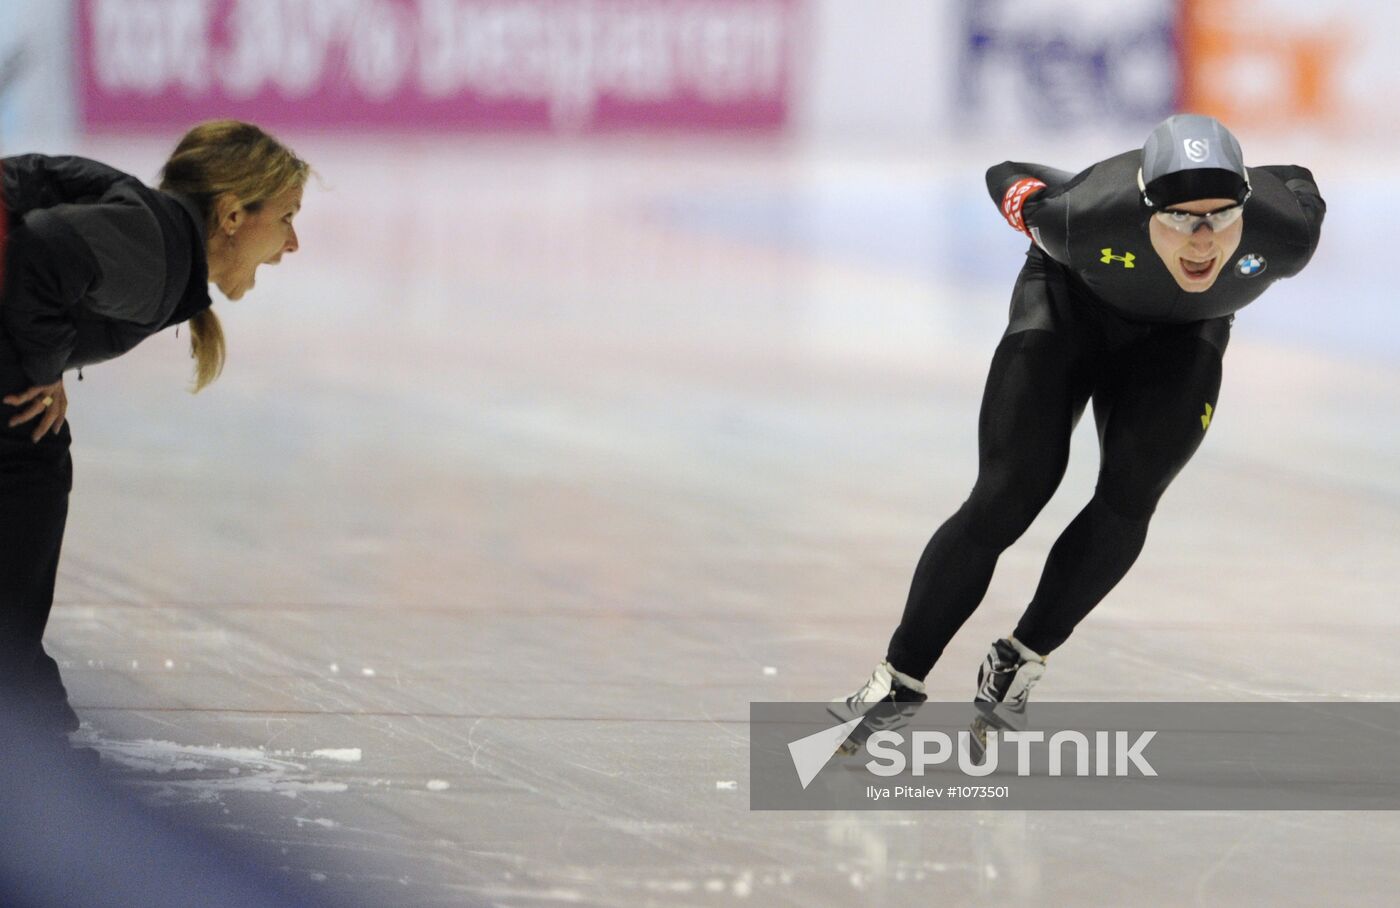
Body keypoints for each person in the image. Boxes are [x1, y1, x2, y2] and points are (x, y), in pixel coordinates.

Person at [832, 114, 1325, 727]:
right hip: (1069, 311)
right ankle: (900, 677)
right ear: (1145, 207)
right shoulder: (1081, 217)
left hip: (1183, 337)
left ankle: (1023, 655)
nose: (1203, 240)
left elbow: (1297, 178)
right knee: (1011, 491)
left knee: (1131, 494)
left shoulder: (1289, 232)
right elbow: (1005, 174)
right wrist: (1030, 201)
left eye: (1221, 215)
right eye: (1179, 218)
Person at [0, 120, 308, 749]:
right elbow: (42, 250)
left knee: (34, 452)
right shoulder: (155, 253)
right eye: (285, 217)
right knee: (33, 451)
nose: (293, 242)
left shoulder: (155, 234)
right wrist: (44, 368)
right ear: (229, 215)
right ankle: (21, 702)